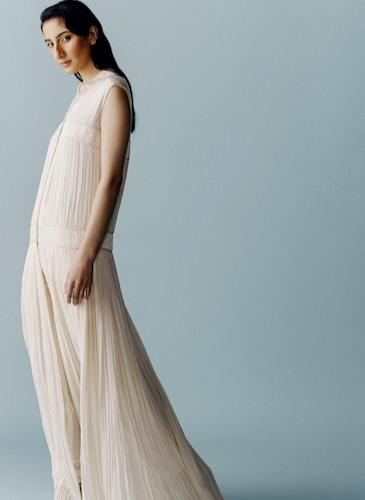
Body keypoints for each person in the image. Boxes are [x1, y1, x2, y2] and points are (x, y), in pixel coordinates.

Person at [21, 1, 224, 499]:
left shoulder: (112, 91)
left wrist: (86, 256)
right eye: (49, 44)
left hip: (77, 256)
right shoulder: (81, 94)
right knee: (59, 384)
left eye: (65, 38)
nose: (57, 52)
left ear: (91, 33)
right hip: (43, 255)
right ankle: (79, 488)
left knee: (108, 379)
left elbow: (109, 180)